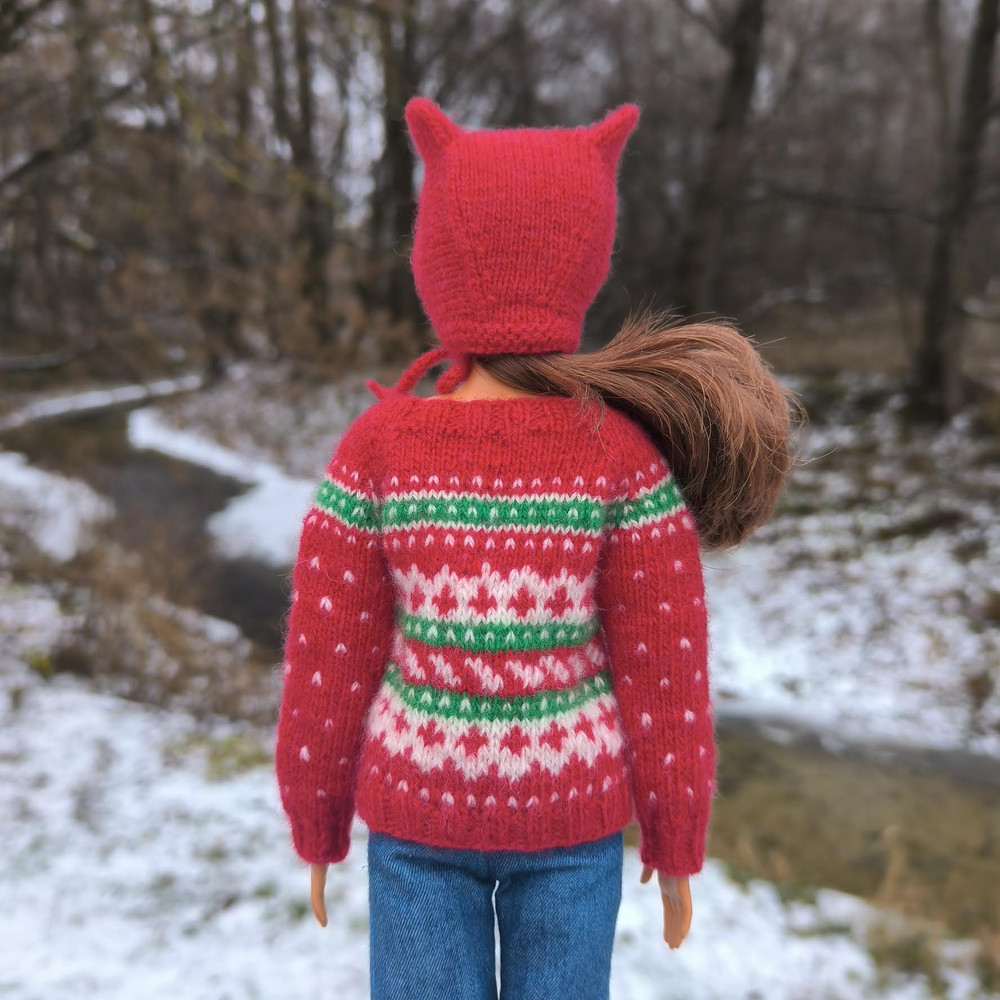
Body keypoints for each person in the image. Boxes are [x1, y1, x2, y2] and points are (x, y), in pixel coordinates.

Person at [274, 97, 801, 1000]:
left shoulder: (379, 449)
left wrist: (316, 817)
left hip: (432, 816)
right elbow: (664, 668)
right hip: (564, 820)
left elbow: (330, 658)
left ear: (434, 259)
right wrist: (674, 836)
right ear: (584, 261)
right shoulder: (618, 456)